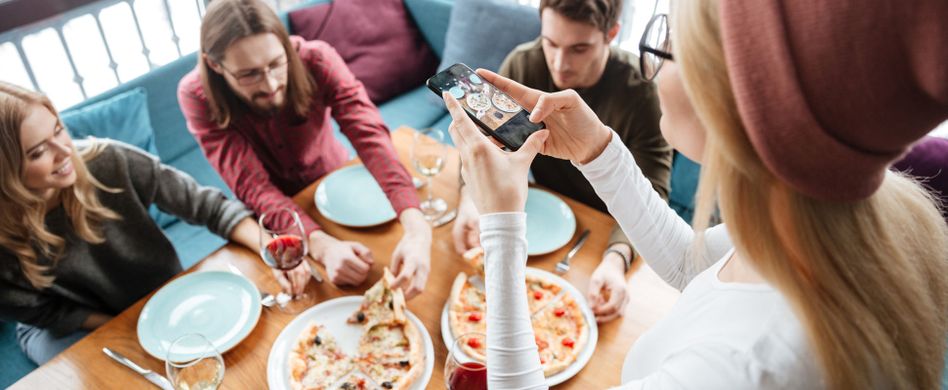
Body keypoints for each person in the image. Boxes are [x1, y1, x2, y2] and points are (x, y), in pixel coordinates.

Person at [444, 0, 948, 388]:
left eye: (670, 42)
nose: (655, 64)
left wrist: (501, 226)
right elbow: (692, 265)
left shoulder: (745, 365)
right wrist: (596, 149)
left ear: (742, 91)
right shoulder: (834, 212)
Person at [0, 81, 309, 365]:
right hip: (66, 322)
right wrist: (130, 326)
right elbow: (46, 312)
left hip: (156, 296)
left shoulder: (108, 160)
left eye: (58, 130)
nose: (64, 150)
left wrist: (271, 249)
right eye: (38, 152)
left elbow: (208, 206)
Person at [178, 0, 431, 298]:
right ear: (214, 65)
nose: (270, 84)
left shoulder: (318, 59)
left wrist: (417, 227)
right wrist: (321, 247)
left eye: (276, 63)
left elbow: (370, 136)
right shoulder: (197, 95)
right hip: (272, 220)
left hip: (335, 189)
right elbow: (253, 186)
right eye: (249, 74)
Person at [452, 0, 672, 323]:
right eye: (550, 43)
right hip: (539, 224)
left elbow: (653, 192)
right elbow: (482, 147)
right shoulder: (523, 64)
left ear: (612, 34)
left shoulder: (642, 93)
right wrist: (468, 200)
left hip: (608, 229)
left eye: (579, 49)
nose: (560, 63)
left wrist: (617, 258)